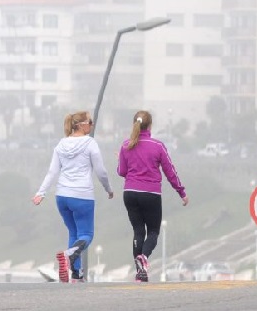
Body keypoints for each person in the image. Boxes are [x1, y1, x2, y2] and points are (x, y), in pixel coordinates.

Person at [33, 111, 114, 282]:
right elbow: (101, 171)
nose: (91, 125)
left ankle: (75, 273)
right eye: (90, 122)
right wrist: (108, 189)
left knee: (73, 232)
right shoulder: (90, 143)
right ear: (82, 125)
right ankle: (69, 255)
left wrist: (41, 193)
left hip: (62, 196)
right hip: (82, 195)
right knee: (86, 234)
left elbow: (52, 172)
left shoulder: (60, 145)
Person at [117, 110, 188, 282]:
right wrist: (181, 192)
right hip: (151, 194)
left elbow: (122, 172)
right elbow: (170, 171)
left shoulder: (126, 145)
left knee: (138, 231)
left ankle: (140, 272)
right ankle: (145, 257)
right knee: (153, 232)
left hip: (130, 194)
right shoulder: (158, 146)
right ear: (150, 126)